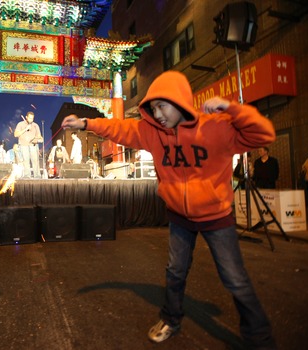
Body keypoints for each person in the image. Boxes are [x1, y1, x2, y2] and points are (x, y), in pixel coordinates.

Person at [62, 71, 276, 349]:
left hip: (217, 217)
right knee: (175, 272)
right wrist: (86, 123)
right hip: (179, 217)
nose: (158, 114)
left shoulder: (217, 127)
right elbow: (121, 128)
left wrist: (232, 108)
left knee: (235, 280)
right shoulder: (152, 133)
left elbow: (264, 133)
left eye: (162, 106)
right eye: (153, 108)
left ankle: (259, 338)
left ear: (180, 102)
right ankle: (171, 319)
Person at [14, 111, 43, 178]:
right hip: (23, 145)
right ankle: (27, 176)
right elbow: (16, 134)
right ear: (26, 117)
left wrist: (37, 139)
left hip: (33, 145)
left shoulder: (36, 125)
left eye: (32, 118)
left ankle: (37, 176)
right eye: (29, 118)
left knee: (35, 161)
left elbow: (39, 136)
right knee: (26, 161)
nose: (31, 120)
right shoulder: (20, 124)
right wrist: (25, 129)